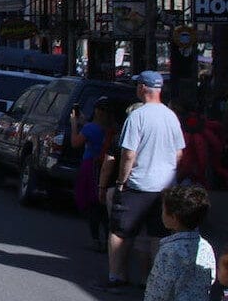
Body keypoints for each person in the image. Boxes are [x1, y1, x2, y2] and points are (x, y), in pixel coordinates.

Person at [99, 71, 187, 293]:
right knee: (158, 235)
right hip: (165, 187)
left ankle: (116, 276)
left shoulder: (137, 117)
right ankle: (152, 281)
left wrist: (121, 181)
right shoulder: (171, 116)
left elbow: (128, 154)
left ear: (141, 88)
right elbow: (178, 153)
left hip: (137, 185)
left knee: (120, 232)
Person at [143, 184, 214, 301]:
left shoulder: (169, 251)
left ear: (174, 218)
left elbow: (158, 289)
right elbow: (210, 278)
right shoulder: (206, 247)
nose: (162, 214)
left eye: (163, 211)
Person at [72, 100, 114, 251]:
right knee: (102, 205)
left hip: (90, 164)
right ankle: (107, 238)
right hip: (107, 165)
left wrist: (74, 124)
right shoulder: (111, 129)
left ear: (97, 111)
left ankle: (96, 239)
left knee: (91, 203)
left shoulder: (90, 128)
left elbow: (75, 143)